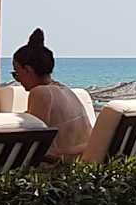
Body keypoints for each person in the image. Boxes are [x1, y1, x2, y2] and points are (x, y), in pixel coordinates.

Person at [11, 27, 92, 161]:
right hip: (82, 160)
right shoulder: (65, 90)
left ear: (28, 70)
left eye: (16, 73)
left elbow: (34, 141)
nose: (17, 79)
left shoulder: (40, 92)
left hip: (60, 165)